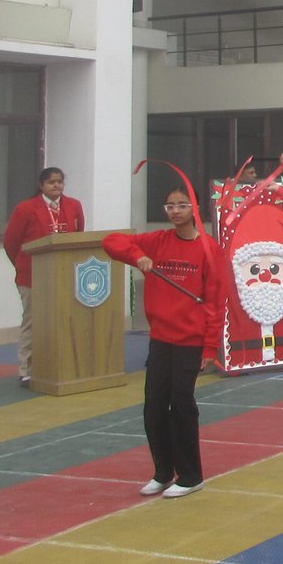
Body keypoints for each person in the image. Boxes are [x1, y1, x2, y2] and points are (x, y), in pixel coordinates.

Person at [103, 187, 227, 499]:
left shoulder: (209, 249)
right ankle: (163, 472)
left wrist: (209, 347)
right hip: (160, 338)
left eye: (182, 205)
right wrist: (138, 256)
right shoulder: (157, 241)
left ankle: (191, 475)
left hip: (190, 341)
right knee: (154, 406)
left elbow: (215, 302)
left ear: (194, 209)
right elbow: (111, 242)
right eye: (170, 206)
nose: (175, 211)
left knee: (181, 404)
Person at [1, 166, 85, 384]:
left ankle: (59, 365)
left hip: (63, 275)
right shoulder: (26, 208)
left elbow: (78, 236)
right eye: (51, 182)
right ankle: (27, 368)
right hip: (32, 275)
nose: (56, 185)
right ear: (41, 185)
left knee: (62, 319)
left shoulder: (74, 205)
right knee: (32, 321)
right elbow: (11, 241)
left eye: (60, 181)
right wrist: (22, 265)